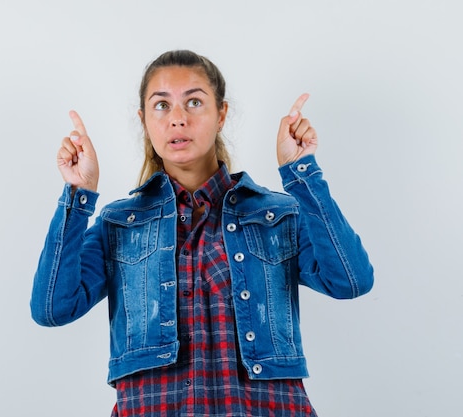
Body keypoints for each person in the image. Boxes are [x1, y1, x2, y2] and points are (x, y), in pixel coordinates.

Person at [30, 50, 374, 416]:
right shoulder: (119, 225)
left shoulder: (277, 215)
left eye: (194, 102)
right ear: (144, 120)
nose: (177, 119)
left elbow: (350, 281)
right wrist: (78, 196)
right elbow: (52, 308)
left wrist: (301, 173)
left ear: (221, 114)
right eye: (161, 106)